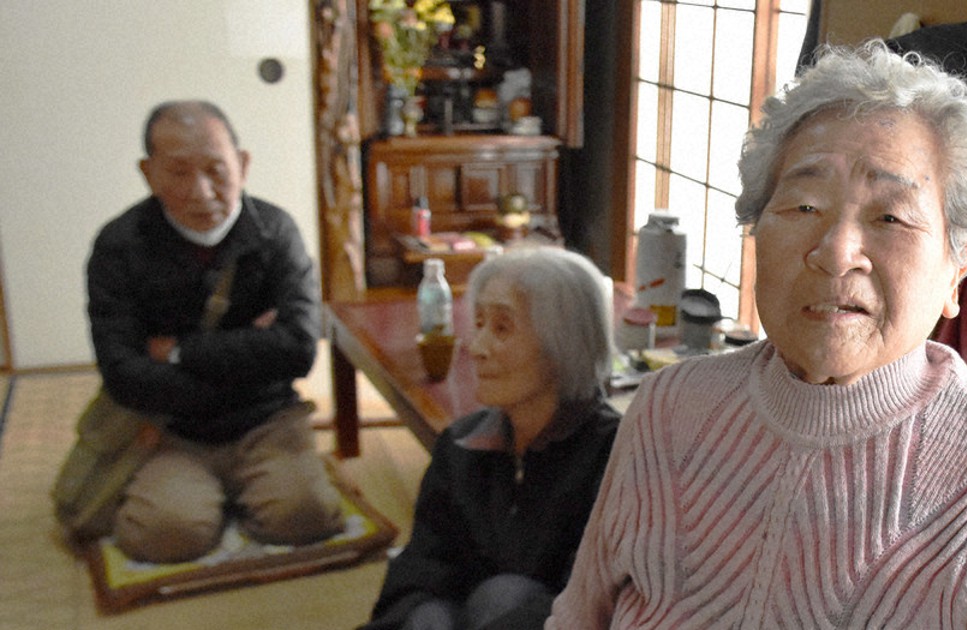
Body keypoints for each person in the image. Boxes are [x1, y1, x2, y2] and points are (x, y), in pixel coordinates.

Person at [547, 41, 967, 628]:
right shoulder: (665, 409)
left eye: (891, 217)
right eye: (804, 206)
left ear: (956, 269)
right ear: (757, 232)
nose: (837, 252)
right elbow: (578, 618)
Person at [83, 100, 343, 562]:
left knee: (305, 518)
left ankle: (247, 490)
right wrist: (251, 354)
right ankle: (213, 496)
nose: (201, 192)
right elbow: (122, 372)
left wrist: (178, 352)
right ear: (148, 173)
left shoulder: (275, 232)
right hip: (173, 428)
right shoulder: (119, 246)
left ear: (242, 164)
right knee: (166, 535)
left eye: (216, 170)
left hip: (267, 421)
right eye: (179, 172)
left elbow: (299, 349)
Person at [363, 246, 621, 630]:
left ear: (563, 344)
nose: (476, 348)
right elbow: (420, 567)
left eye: (501, 328)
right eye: (479, 323)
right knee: (428, 615)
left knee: (504, 596)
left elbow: (589, 602)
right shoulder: (462, 445)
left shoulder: (615, 456)